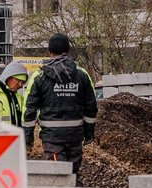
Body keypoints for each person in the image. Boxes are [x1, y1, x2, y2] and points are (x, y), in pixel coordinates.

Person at [23, 33, 97, 175]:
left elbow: (30, 109)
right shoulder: (81, 75)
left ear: (49, 52)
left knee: (58, 177)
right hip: (75, 137)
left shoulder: (40, 76)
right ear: (68, 51)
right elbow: (91, 108)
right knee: (73, 175)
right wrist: (89, 134)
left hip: (52, 138)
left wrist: (28, 138)